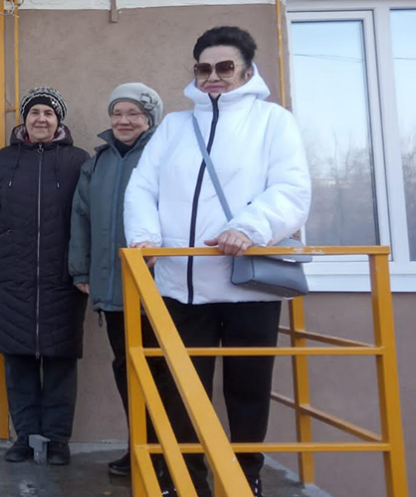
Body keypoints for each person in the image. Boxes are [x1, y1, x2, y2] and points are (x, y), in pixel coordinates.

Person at [124, 26, 311, 497]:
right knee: (181, 390)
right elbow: (142, 187)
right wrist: (145, 239)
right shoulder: (174, 127)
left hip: (248, 286)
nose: (213, 76)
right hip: (180, 285)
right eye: (203, 68)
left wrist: (248, 227)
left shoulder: (273, 122)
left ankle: (246, 476)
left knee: (248, 388)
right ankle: (186, 479)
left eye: (224, 67)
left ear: (246, 71)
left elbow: (291, 190)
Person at [0, 87, 90, 466]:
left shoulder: (78, 160)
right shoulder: (5, 160)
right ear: (24, 120)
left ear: (59, 121)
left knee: (60, 361)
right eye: (34, 112)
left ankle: (57, 440)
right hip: (13, 277)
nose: (41, 119)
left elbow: (87, 218)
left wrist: (84, 269)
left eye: (48, 113)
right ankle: (24, 436)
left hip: (63, 279)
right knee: (18, 359)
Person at [68, 82, 163, 477]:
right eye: (117, 113)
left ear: (150, 118)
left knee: (160, 372)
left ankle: (168, 454)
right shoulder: (98, 162)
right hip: (112, 288)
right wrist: (81, 270)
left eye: (134, 113)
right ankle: (139, 446)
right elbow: (81, 217)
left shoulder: (163, 156)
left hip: (158, 290)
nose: (124, 121)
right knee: (126, 368)